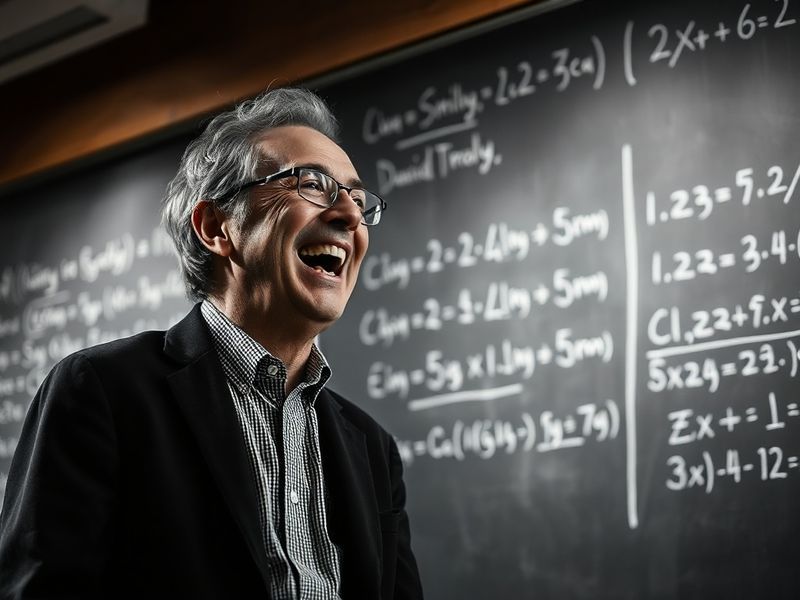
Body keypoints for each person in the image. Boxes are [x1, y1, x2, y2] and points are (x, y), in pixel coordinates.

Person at [0, 87, 423, 600]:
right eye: (313, 184)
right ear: (217, 227)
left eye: (358, 199)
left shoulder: (371, 446)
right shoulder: (101, 392)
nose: (350, 216)